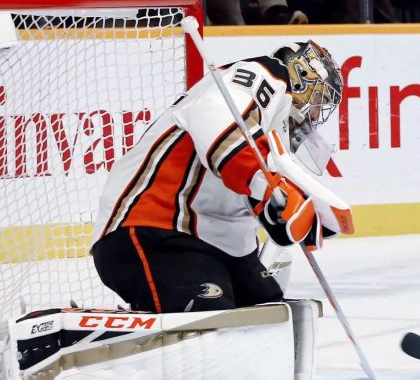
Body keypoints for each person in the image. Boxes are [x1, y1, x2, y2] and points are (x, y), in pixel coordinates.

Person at [91, 41, 346, 313]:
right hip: (155, 226)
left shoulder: (272, 137)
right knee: (210, 321)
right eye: (319, 101)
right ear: (301, 75)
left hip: (218, 246)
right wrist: (268, 185)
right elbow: (215, 117)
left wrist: (284, 217)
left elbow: (253, 194)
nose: (317, 115)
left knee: (273, 316)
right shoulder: (266, 74)